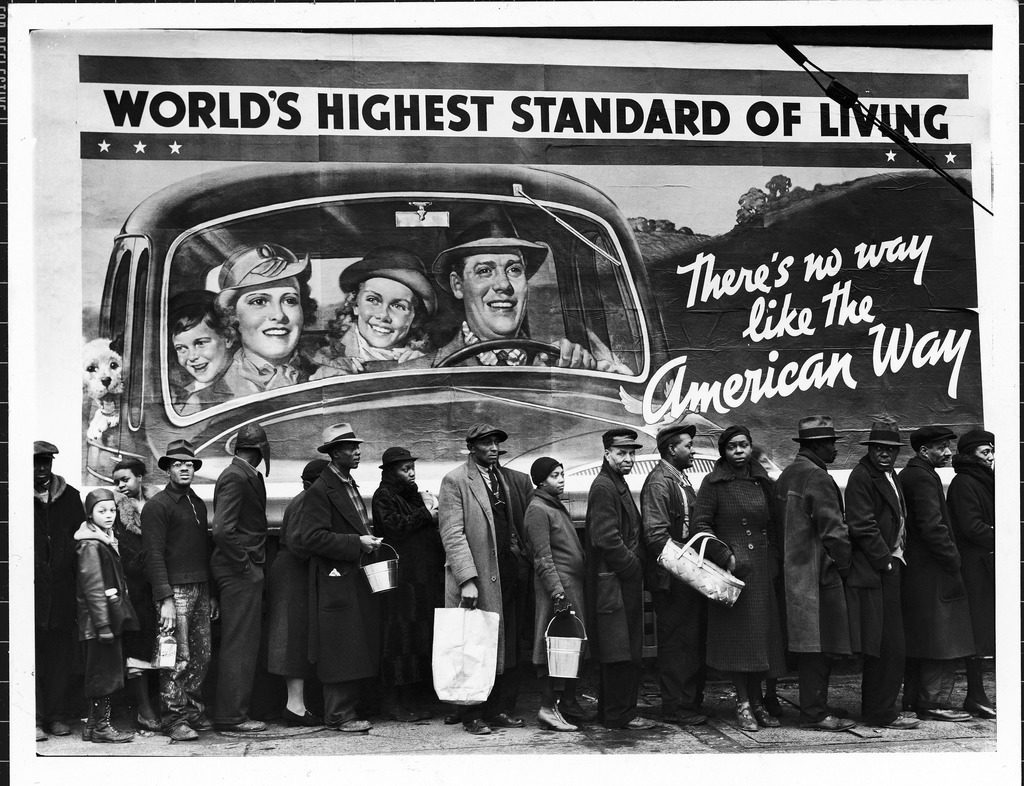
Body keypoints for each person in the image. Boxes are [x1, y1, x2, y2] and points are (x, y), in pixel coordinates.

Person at [429, 217, 630, 371]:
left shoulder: (556, 366)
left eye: (514, 270)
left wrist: (583, 375)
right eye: (484, 271)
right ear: (458, 285)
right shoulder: (421, 373)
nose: (503, 284)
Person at [438, 422, 533, 735]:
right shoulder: (455, 480)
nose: (493, 448)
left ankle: (499, 709)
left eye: (496, 443)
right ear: (472, 447)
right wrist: (467, 578)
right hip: (478, 577)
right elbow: (452, 533)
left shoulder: (502, 478)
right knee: (474, 644)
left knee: (505, 643)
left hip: (506, 575)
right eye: (487, 443)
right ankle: (471, 714)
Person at [692, 425, 786, 733]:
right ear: (723, 451)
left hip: (761, 570)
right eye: (732, 446)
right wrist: (727, 557)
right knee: (739, 642)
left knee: (761, 642)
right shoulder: (713, 483)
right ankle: (743, 702)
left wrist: (772, 560)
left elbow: (774, 525)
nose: (739, 451)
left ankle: (758, 702)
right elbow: (701, 526)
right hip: (732, 575)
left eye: (743, 445)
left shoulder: (762, 482)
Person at [290, 423, 383, 733]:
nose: (357, 451)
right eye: (349, 447)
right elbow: (312, 538)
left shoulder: (346, 483)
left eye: (356, 446)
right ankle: (339, 715)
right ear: (333, 453)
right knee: (340, 647)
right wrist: (356, 543)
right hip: (335, 579)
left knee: (350, 644)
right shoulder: (322, 490)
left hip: (348, 576)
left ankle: (346, 711)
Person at [774, 415, 856, 733]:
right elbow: (834, 532)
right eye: (831, 442)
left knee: (810, 645)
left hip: (794, 573)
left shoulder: (788, 474)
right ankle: (814, 712)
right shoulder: (817, 477)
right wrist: (845, 566)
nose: (835, 448)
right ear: (817, 446)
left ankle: (815, 705)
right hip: (818, 576)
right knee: (821, 646)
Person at [843, 420, 921, 730]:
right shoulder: (863, 476)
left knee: (889, 644)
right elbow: (861, 525)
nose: (884, 454)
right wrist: (885, 561)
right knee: (886, 644)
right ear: (870, 449)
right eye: (879, 449)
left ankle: (880, 707)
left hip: (892, 564)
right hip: (878, 570)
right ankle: (881, 711)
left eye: (890, 450)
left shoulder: (890, 476)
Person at [141, 439, 219, 741]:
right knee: (174, 656)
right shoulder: (157, 506)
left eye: (189, 464)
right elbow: (153, 556)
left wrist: (210, 592)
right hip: (174, 592)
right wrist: (165, 600)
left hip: (200, 587)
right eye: (177, 464)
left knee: (202, 656)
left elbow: (203, 551)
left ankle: (193, 711)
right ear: (168, 470)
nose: (185, 468)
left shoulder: (196, 502)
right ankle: (173, 718)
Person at [899, 426, 975, 722]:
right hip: (934, 571)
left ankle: (915, 700)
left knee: (924, 637)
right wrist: (953, 560)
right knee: (940, 639)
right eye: (941, 447)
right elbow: (933, 527)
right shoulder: (922, 477)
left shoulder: (911, 473)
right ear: (923, 451)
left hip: (920, 571)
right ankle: (932, 703)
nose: (947, 452)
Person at [584, 428, 658, 731]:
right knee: (619, 651)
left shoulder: (616, 483)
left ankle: (612, 713)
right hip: (613, 582)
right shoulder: (604, 486)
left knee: (620, 649)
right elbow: (605, 538)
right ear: (607, 454)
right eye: (621, 453)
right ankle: (620, 715)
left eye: (631, 453)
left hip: (616, 580)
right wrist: (632, 567)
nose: (628, 458)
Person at [640, 424, 708, 727]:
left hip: (686, 576)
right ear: (672, 449)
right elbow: (655, 535)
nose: (692, 450)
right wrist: (693, 563)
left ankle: (687, 702)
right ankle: (676, 706)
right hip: (673, 579)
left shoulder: (679, 479)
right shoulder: (659, 482)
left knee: (689, 641)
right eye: (688, 445)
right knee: (676, 644)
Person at [371, 446, 444, 722]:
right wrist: (427, 514)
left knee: (415, 639)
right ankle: (395, 701)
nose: (411, 473)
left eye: (412, 467)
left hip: (420, 578)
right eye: (405, 469)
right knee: (398, 639)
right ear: (391, 471)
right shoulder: (384, 496)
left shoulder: (413, 494)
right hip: (400, 579)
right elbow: (395, 527)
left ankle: (411, 698)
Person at [210, 423, 271, 732]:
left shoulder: (245, 474)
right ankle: (231, 715)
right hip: (238, 572)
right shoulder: (236, 476)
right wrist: (246, 565)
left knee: (242, 642)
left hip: (242, 569)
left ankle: (234, 712)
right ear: (260, 450)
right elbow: (221, 529)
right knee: (239, 644)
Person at [523, 457, 589, 732]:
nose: (561, 479)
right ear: (540, 481)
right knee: (554, 650)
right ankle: (547, 708)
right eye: (554, 476)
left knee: (569, 649)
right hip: (558, 590)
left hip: (570, 587)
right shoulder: (538, 509)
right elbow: (542, 558)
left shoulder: (553, 504)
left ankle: (567, 703)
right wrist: (558, 594)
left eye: (562, 474)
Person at [266, 458, 328, 726]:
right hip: (294, 573)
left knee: (292, 638)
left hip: (289, 570)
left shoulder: (301, 499)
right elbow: (300, 542)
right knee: (293, 639)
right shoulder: (308, 501)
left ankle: (297, 705)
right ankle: (295, 706)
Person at [215, 242, 323, 395]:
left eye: (290, 301)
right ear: (232, 316)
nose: (279, 315)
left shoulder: (335, 379)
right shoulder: (201, 400)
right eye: (259, 301)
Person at [75, 488, 139, 743]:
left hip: (104, 621)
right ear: (90, 515)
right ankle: (101, 727)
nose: (109, 515)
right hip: (99, 623)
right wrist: (102, 625)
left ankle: (93, 726)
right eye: (102, 511)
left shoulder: (103, 539)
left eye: (112, 510)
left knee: (103, 673)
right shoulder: (91, 545)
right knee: (104, 675)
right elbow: (93, 588)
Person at [314, 247, 437, 373]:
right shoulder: (323, 358)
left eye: (399, 306)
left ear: (415, 318)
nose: (383, 315)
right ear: (355, 305)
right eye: (373, 300)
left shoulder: (430, 359)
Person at [34, 440, 85, 742]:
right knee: (33, 658)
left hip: (63, 593)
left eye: (46, 463)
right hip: (33, 594)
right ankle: (35, 719)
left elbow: (79, 541)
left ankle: (56, 716)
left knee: (60, 657)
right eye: (36, 463)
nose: (41, 469)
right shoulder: (16, 496)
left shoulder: (71, 497)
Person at [946, 429, 995, 718]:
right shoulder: (965, 483)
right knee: (977, 633)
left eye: (991, 451)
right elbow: (972, 527)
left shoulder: (985, 480)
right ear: (969, 455)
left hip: (988, 565)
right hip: (976, 568)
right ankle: (975, 694)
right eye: (984, 452)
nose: (990, 457)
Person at [110, 457, 161, 731]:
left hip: (160, 588)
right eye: (117, 481)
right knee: (138, 646)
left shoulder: (156, 505)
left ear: (141, 477)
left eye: (126, 479)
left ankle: (161, 703)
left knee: (161, 646)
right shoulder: (117, 513)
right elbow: (125, 554)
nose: (121, 485)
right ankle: (143, 708)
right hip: (136, 590)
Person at [169, 290, 236, 414]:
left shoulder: (241, 385)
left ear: (227, 338)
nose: (192, 356)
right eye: (181, 348)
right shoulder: (182, 393)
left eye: (200, 343)